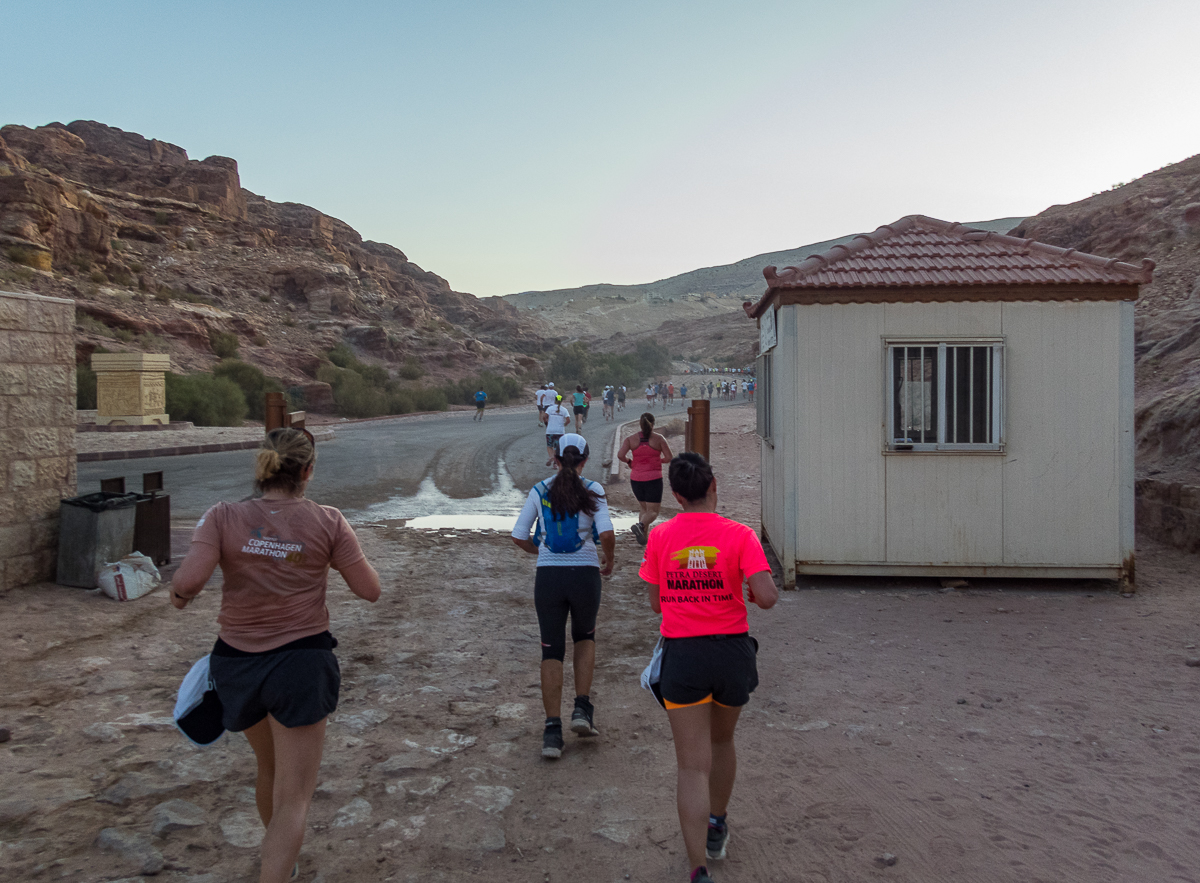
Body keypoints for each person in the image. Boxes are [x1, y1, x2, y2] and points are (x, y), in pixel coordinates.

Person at [170, 428, 381, 883]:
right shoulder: (329, 520)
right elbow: (370, 590)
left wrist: (179, 597)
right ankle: (277, 869)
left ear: (262, 467)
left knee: (267, 768)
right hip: (300, 664)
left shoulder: (221, 515)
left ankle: (281, 863)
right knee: (295, 795)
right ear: (308, 471)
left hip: (237, 664)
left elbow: (187, 582)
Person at [639, 453, 778, 883]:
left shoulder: (661, 536)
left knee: (690, 765)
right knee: (722, 742)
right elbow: (768, 596)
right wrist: (744, 594)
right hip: (732, 652)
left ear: (677, 494)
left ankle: (698, 867)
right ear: (713, 485)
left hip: (684, 656)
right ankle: (718, 824)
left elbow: (656, 601)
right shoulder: (740, 535)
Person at [511, 433, 615, 759]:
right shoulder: (594, 490)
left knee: (550, 650)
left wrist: (539, 551)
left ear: (555, 458)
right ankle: (582, 710)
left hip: (549, 577)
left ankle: (552, 732)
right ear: (584, 461)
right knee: (585, 638)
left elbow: (518, 535)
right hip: (584, 575)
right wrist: (609, 559)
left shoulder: (540, 490)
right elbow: (608, 531)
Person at [618, 412, 673, 545]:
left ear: (640, 424)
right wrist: (659, 461)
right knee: (653, 511)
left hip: (636, 478)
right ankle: (640, 525)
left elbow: (620, 455)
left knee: (644, 508)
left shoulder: (631, 439)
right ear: (653, 424)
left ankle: (644, 537)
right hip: (653, 478)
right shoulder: (659, 439)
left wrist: (629, 461)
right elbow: (669, 457)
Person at [545, 394, 572, 466]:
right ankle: (555, 461)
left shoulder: (550, 409)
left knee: (549, 445)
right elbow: (568, 420)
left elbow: (545, 416)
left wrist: (547, 424)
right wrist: (564, 425)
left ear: (555, 400)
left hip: (550, 430)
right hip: (560, 431)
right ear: (562, 401)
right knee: (557, 447)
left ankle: (551, 457)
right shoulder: (564, 410)